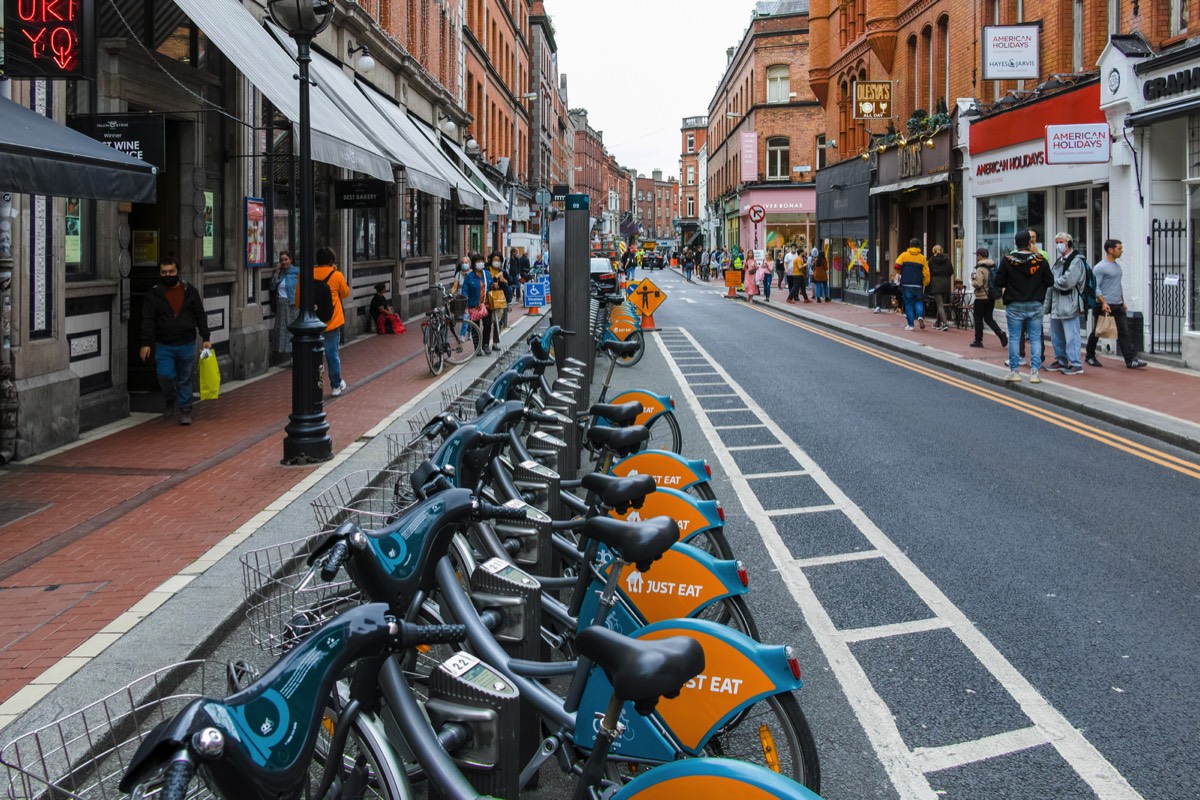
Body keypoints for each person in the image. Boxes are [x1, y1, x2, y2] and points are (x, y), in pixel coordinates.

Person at [140, 257, 211, 425]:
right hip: (164, 344)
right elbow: (147, 320)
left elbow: (200, 314)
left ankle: (185, 409)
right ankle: (170, 398)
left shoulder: (190, 291)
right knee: (165, 375)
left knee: (185, 378)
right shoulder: (154, 293)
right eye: (164, 272)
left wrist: (206, 337)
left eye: (171, 271)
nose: (168, 275)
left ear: (178, 272)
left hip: (186, 343)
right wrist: (145, 343)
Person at [994, 230, 1052, 383]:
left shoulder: (1007, 260)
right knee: (1035, 339)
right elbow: (1050, 281)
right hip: (1035, 303)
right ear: (1029, 243)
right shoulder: (1040, 260)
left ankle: (1015, 372)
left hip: (1014, 304)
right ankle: (1035, 373)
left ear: (1015, 243)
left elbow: (998, 282)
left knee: (1014, 338)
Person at [1085, 239, 1148, 370]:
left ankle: (1130, 361)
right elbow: (1096, 287)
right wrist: (1103, 302)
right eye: (1119, 248)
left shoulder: (1117, 266)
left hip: (1118, 304)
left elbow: (1117, 285)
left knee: (1124, 332)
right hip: (1105, 305)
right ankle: (1089, 356)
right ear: (1110, 250)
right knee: (1098, 331)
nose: (1121, 251)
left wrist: (1123, 301)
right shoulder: (1100, 267)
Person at [298, 246, 352, 397]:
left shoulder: (306, 275)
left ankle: (310, 386)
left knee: (311, 356)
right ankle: (336, 385)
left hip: (311, 324)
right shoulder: (336, 275)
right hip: (331, 322)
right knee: (332, 354)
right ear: (331, 261)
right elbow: (346, 293)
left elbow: (297, 300)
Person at [1043, 232, 1087, 375]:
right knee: (1056, 335)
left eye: (1060, 242)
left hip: (1069, 303)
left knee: (1071, 336)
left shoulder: (1076, 261)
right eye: (1056, 242)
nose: (1058, 245)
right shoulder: (1060, 261)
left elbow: (1068, 281)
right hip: (1056, 305)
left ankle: (1076, 364)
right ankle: (1061, 360)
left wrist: (1051, 281)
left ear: (1068, 243)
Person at [969, 247, 1007, 348]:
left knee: (978, 318)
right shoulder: (993, 266)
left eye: (977, 255)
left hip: (981, 297)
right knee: (989, 318)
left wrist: (972, 282)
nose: (976, 257)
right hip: (991, 296)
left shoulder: (981, 268)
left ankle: (978, 340)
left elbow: (978, 283)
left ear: (980, 256)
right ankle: (1000, 333)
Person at [894, 238, 930, 330]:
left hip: (906, 283)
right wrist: (925, 282)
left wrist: (901, 272)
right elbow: (926, 272)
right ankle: (920, 316)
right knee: (918, 301)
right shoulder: (922, 258)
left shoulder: (904, 255)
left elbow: (896, 266)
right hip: (918, 283)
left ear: (910, 245)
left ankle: (910, 325)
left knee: (909, 304)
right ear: (918, 246)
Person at [463, 254, 495, 353]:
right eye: (477, 261)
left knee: (487, 324)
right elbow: (465, 291)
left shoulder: (487, 274)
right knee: (475, 328)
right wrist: (466, 305)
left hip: (486, 305)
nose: (480, 263)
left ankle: (485, 344)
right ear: (473, 264)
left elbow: (491, 287)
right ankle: (477, 348)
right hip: (474, 305)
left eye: (481, 261)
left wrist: (495, 286)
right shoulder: (469, 277)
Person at [269, 250, 298, 356]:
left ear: (290, 260)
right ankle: (288, 353)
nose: (284, 262)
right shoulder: (279, 273)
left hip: (292, 305)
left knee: (293, 330)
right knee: (282, 331)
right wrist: (276, 272)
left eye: (286, 259)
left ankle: (295, 354)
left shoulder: (296, 271)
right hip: (281, 304)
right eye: (281, 260)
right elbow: (272, 287)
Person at [928, 244, 954, 330]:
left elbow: (928, 271)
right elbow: (951, 271)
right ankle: (937, 323)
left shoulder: (932, 260)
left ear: (934, 251)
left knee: (940, 305)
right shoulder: (947, 259)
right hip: (946, 283)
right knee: (942, 304)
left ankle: (945, 323)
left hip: (936, 283)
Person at [486, 251, 510, 330]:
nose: (496, 262)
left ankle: (496, 339)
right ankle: (486, 341)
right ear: (491, 260)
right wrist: (496, 277)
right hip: (488, 299)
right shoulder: (486, 271)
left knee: (498, 320)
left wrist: (504, 281)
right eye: (495, 260)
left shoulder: (502, 272)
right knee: (488, 321)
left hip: (499, 298)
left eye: (498, 260)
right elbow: (487, 283)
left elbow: (510, 282)